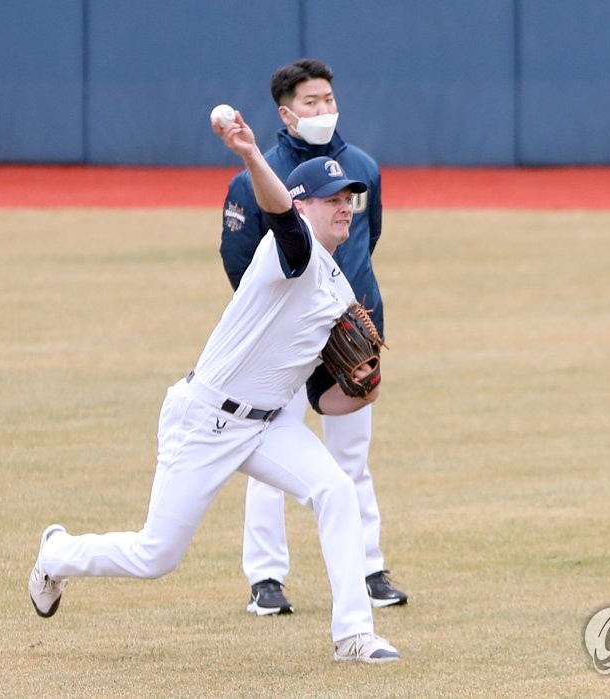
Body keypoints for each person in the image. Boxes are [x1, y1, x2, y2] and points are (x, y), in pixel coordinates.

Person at [27, 110, 400, 664]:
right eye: (332, 198)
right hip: (205, 419)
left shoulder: (340, 286)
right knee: (157, 555)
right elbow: (280, 216)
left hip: (268, 426)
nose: (346, 204)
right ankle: (57, 553)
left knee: (335, 490)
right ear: (303, 205)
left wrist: (366, 391)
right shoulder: (288, 254)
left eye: (349, 196)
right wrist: (250, 154)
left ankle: (354, 635)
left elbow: (326, 397)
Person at [220, 57, 406, 616]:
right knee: (268, 456)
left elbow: (364, 242)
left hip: (351, 333)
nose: (324, 109)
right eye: (311, 102)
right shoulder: (255, 177)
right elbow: (238, 262)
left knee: (352, 458)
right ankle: (266, 579)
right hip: (281, 346)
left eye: (328, 98)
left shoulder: (363, 168)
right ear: (286, 112)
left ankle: (370, 568)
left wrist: (347, 311)